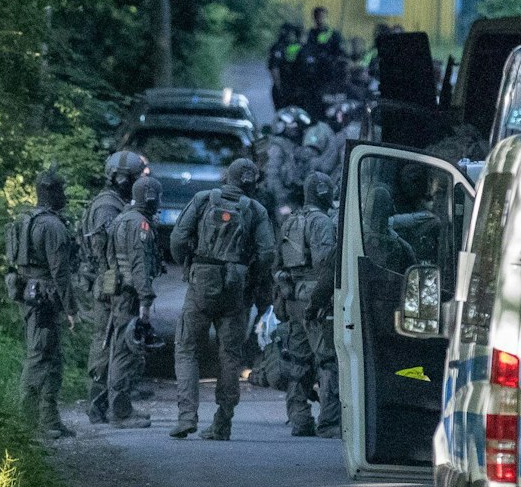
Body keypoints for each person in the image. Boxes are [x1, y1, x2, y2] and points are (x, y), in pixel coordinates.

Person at [169, 157, 275, 440]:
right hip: (236, 289)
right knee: (230, 354)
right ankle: (222, 422)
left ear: (227, 176)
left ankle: (187, 416)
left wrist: (189, 266)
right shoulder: (256, 210)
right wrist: (251, 278)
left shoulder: (203, 200)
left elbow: (178, 239)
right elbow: (267, 253)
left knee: (187, 348)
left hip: (201, 283)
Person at [7, 167, 76, 439]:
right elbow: (60, 272)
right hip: (45, 300)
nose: (65, 195)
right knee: (39, 358)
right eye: (61, 190)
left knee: (51, 358)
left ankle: (49, 419)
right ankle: (28, 423)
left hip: (30, 296)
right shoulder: (52, 226)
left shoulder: (26, 220)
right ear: (51, 192)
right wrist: (70, 308)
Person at [82, 150, 146, 424]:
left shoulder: (112, 202)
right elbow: (103, 248)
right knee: (114, 341)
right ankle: (110, 407)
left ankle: (102, 405)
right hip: (111, 281)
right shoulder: (108, 206)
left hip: (108, 279)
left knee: (108, 340)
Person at [275, 172, 341, 438]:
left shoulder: (290, 221)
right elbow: (326, 263)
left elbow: (278, 263)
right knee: (328, 360)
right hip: (314, 298)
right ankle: (329, 421)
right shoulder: (322, 222)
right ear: (324, 192)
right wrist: (320, 301)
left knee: (297, 361)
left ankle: (299, 418)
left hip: (292, 297)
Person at [97, 173, 162, 427]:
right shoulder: (139, 226)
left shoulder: (122, 219)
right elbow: (139, 266)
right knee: (125, 351)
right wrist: (146, 299)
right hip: (130, 295)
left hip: (119, 291)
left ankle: (120, 406)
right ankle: (120, 412)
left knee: (120, 348)